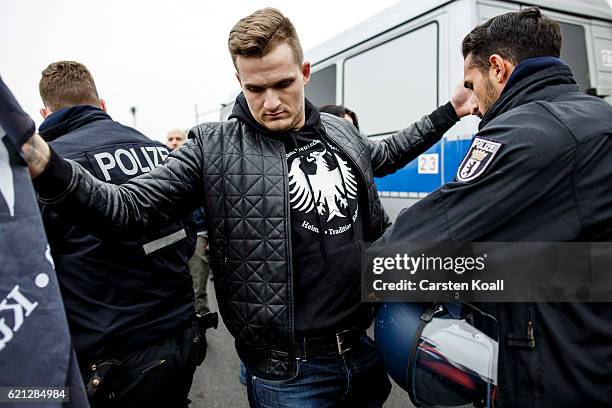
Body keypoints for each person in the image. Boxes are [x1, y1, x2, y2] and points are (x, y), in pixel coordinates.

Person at [20, 8, 474, 407]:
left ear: (305, 72)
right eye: (256, 89)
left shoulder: (340, 131)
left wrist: (450, 111)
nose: (271, 102)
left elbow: (388, 152)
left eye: (283, 84)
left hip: (362, 351)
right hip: (289, 377)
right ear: (239, 81)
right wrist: (48, 165)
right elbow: (127, 208)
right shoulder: (211, 147)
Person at [380, 7, 612, 406]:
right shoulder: (599, 116)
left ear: (498, 69)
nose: (473, 105)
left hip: (556, 378)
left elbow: (405, 248)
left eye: (472, 85)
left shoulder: (526, 132)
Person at [36, 61, 210, 407]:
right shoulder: (159, 151)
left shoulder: (50, 171)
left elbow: (39, 268)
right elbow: (188, 234)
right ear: (102, 105)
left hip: (113, 358)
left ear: (44, 111)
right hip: (181, 337)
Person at [165, 128, 211, 316]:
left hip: (199, 234)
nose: (174, 142)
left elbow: (210, 205)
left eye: (178, 139)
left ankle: (201, 330)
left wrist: (209, 237)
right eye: (170, 139)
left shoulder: (198, 167)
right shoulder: (162, 168)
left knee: (197, 288)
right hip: (172, 238)